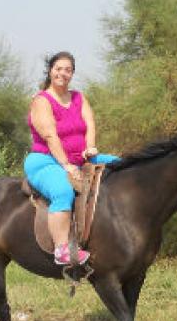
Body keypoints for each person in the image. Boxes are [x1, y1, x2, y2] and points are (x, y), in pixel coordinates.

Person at [24, 51, 119, 265]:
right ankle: (62, 250)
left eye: (68, 70)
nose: (63, 73)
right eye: (59, 69)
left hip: (80, 158)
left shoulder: (78, 97)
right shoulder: (41, 101)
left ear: (72, 74)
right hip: (46, 161)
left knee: (120, 165)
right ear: (50, 71)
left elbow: (90, 123)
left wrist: (90, 148)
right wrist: (66, 165)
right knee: (63, 189)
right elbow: (50, 136)